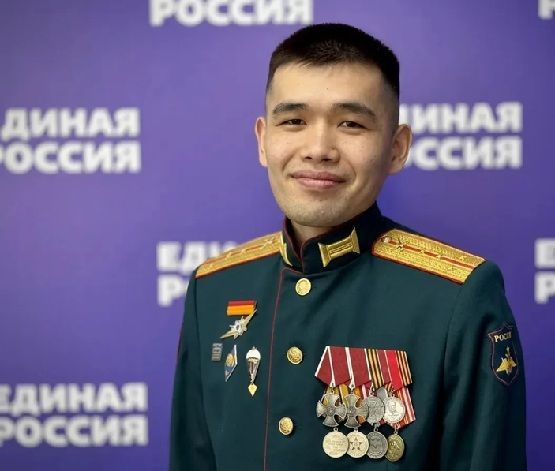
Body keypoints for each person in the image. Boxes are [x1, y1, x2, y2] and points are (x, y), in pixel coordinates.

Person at [170, 23, 526, 470]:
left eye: (351, 124)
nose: (318, 149)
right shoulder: (214, 287)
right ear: (263, 140)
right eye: (293, 121)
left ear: (396, 148)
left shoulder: (458, 297)